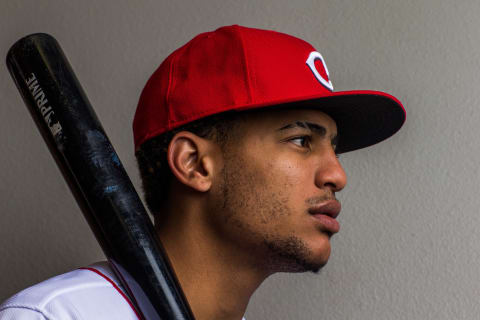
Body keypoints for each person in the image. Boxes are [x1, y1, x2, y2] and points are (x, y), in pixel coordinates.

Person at [0, 25, 405, 320]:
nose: (337, 175)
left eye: (333, 146)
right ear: (194, 164)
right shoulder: (54, 317)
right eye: (301, 140)